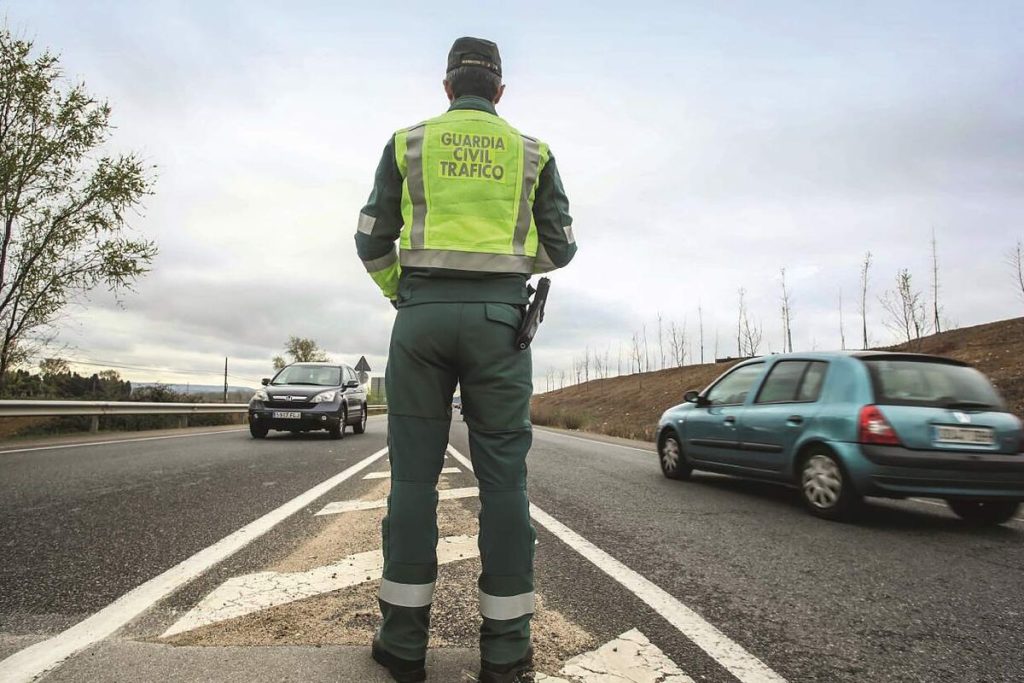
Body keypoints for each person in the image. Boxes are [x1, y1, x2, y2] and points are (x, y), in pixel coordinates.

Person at [354, 36, 577, 683]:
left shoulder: (408, 143)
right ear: (499, 92)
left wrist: (408, 292)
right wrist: (506, 275)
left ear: (447, 87)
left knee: (413, 483)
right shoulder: (533, 153)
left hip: (419, 321)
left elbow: (371, 239)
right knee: (504, 483)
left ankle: (402, 643)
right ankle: (505, 656)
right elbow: (560, 247)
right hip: (500, 326)